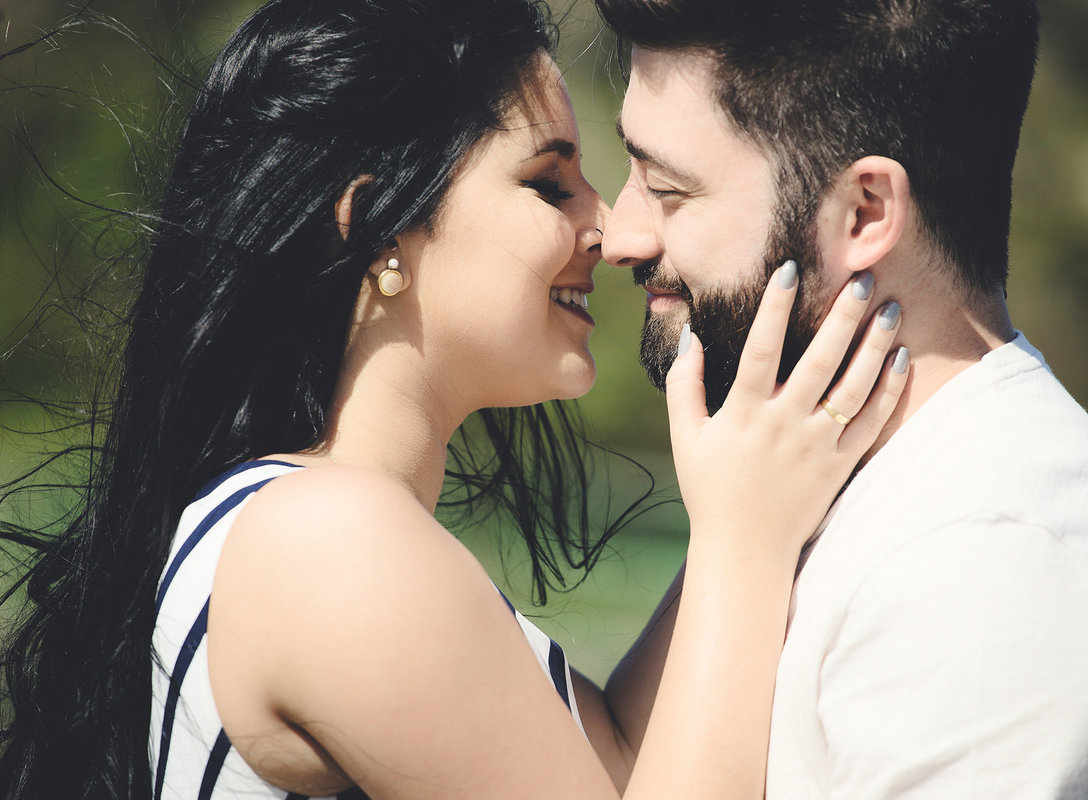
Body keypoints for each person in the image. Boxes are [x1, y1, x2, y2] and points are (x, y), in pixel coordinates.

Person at [0, 0, 911, 798]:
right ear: (376, 223)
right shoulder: (327, 543)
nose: (610, 227)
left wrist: (748, 510)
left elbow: (634, 765)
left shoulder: (310, 525)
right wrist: (747, 544)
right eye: (549, 181)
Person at [595, 0, 1088, 795]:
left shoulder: (993, 563)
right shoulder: (790, 484)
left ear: (865, 212)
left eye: (667, 189)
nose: (621, 238)